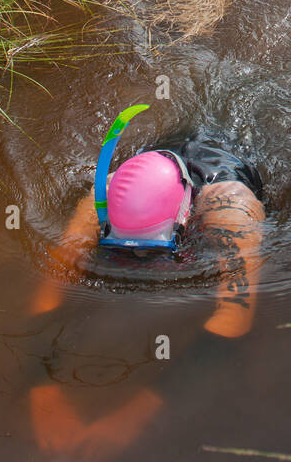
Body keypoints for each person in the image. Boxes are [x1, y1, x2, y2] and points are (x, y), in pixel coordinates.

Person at [30, 106, 266, 341]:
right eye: (123, 247)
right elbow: (50, 292)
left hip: (226, 151)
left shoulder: (230, 208)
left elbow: (234, 319)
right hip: (157, 153)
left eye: (153, 250)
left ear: (184, 218)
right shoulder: (104, 197)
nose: (139, 257)